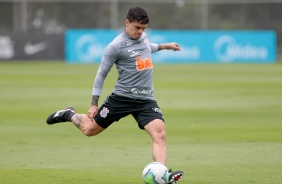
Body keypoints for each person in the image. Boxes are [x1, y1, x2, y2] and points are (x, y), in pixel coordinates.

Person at [46, 6, 183, 183]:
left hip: (146, 100)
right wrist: (94, 103)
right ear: (127, 23)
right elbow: (101, 74)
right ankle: (69, 114)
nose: (140, 32)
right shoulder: (115, 46)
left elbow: (148, 48)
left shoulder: (143, 38)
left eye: (143, 29)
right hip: (121, 99)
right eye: (137, 28)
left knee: (160, 133)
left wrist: (166, 46)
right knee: (89, 130)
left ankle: (162, 174)